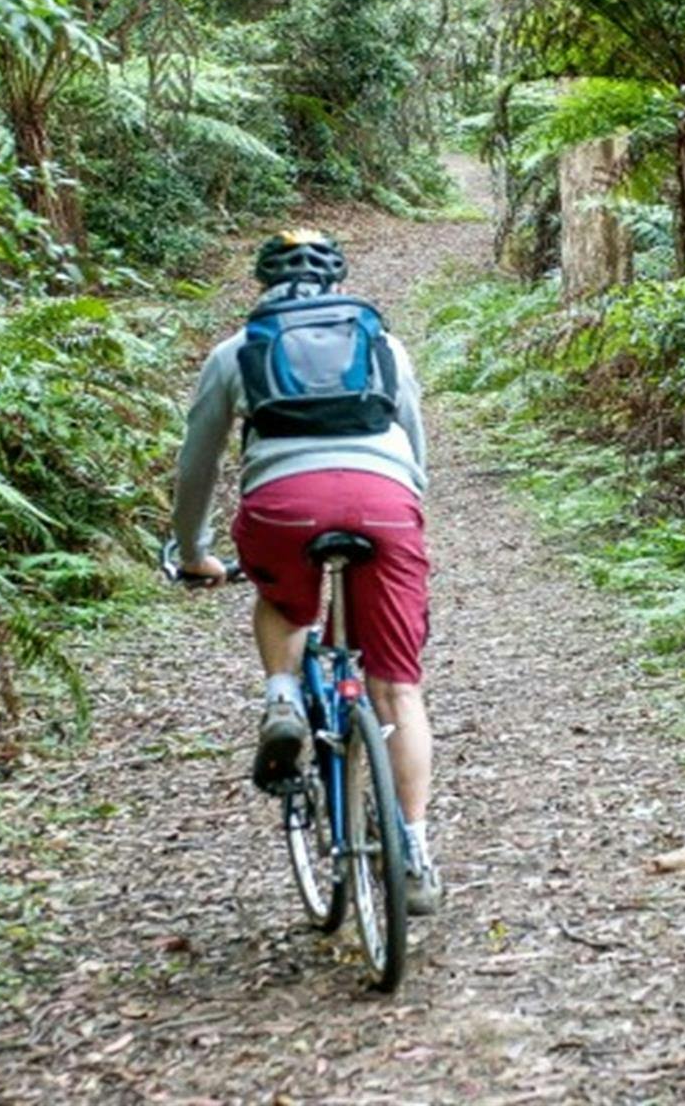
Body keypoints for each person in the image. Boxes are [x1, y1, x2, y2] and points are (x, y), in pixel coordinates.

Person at [171, 229, 442, 914]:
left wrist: (194, 551)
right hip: (385, 500)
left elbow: (197, 466)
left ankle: (284, 698)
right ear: (336, 281)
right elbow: (412, 438)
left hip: (283, 505)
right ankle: (412, 850)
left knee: (286, 601)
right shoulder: (382, 343)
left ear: (263, 283)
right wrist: (405, 511)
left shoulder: (238, 350)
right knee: (398, 691)